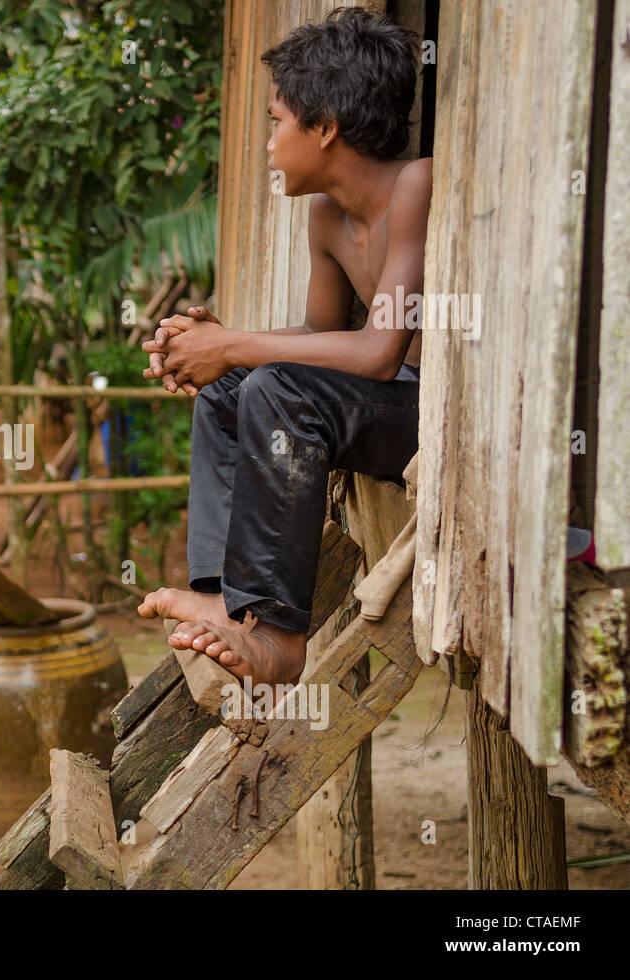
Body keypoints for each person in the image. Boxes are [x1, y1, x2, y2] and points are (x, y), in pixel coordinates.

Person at [137, 8, 429, 689]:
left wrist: (235, 343)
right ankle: (221, 593)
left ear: (324, 128)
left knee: (271, 384)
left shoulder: (415, 185)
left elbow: (381, 350)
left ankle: (277, 634)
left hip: (424, 415)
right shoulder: (327, 214)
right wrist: (216, 347)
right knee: (232, 390)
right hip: (373, 405)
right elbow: (322, 334)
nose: (270, 143)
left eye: (277, 122)